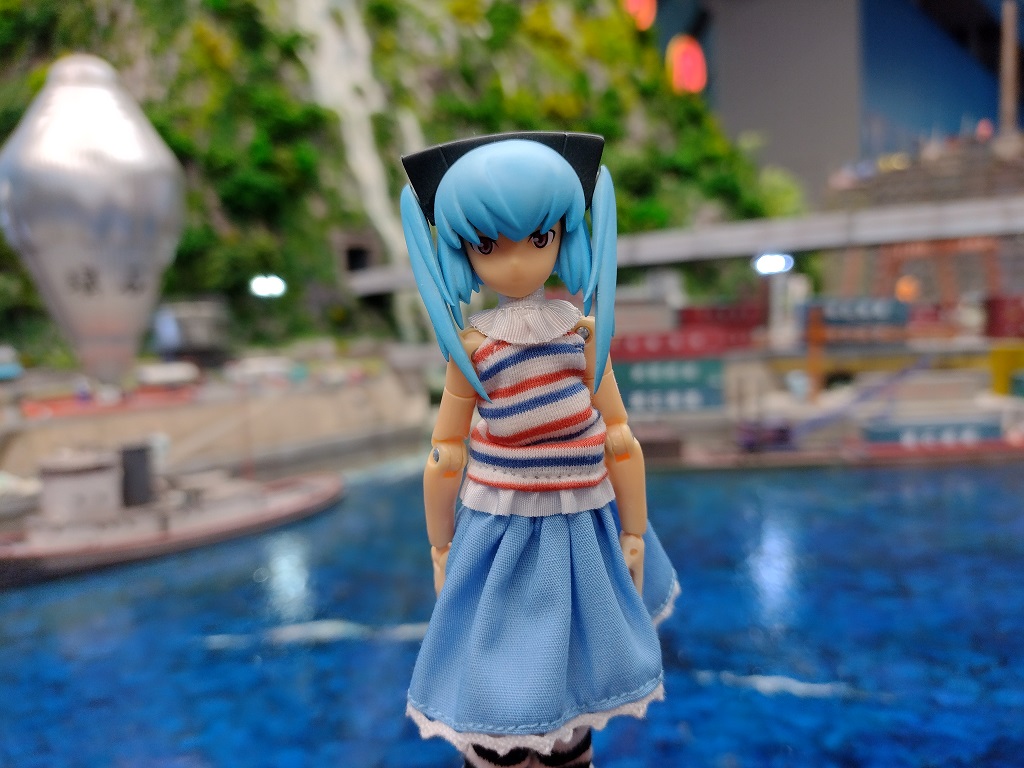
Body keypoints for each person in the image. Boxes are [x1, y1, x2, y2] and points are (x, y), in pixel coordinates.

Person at [400, 132, 678, 768]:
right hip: (510, 519)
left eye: (539, 237)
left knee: (572, 656)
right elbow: (448, 451)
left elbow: (616, 436)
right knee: (510, 659)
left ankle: (557, 749)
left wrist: (633, 531)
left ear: (562, 237)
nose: (517, 262)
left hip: (571, 517)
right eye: (488, 244)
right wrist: (442, 546)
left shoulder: (576, 335)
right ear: (462, 250)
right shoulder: (481, 350)